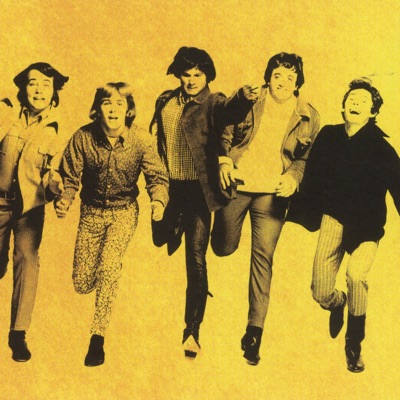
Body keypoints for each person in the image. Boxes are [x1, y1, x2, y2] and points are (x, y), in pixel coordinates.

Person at [211, 52, 320, 365]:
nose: (282, 82)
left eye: (290, 78)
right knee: (224, 247)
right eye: (277, 76)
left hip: (271, 194)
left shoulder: (309, 116)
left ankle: (254, 331)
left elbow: (305, 159)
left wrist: (293, 177)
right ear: (268, 78)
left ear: (297, 83)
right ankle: (217, 233)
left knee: (263, 257)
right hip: (238, 184)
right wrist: (224, 161)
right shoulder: (251, 98)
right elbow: (225, 129)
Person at [150, 46, 259, 359]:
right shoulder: (165, 100)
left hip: (198, 192)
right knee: (160, 237)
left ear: (207, 76)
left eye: (198, 75)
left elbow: (230, 111)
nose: (192, 80)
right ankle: (173, 225)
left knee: (195, 257)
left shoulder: (213, 102)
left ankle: (192, 330)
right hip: (171, 187)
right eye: (186, 74)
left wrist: (244, 97)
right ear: (178, 75)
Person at [55, 82, 169, 367]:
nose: (114, 109)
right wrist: (65, 199)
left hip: (123, 212)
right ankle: (103, 279)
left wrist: (158, 202)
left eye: (120, 103)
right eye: (107, 103)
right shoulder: (83, 137)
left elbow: (157, 177)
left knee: (109, 266)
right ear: (98, 109)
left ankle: (98, 337)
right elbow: (70, 176)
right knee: (82, 283)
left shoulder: (141, 139)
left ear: (128, 110)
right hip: (91, 213)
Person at [292, 78, 400, 373]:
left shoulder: (382, 149)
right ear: (343, 106)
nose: (355, 103)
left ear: (373, 112)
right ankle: (338, 303)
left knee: (356, 276)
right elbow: (310, 175)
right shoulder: (328, 135)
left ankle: (354, 343)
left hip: (367, 226)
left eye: (363, 101)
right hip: (333, 218)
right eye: (352, 99)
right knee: (320, 291)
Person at [0, 62, 68, 362]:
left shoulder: (58, 131)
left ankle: (18, 334)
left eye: (46, 85)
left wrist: (54, 184)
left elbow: (55, 174)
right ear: (23, 88)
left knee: (28, 260)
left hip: (30, 208)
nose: (39, 90)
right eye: (33, 83)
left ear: (54, 92)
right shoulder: (6, 114)